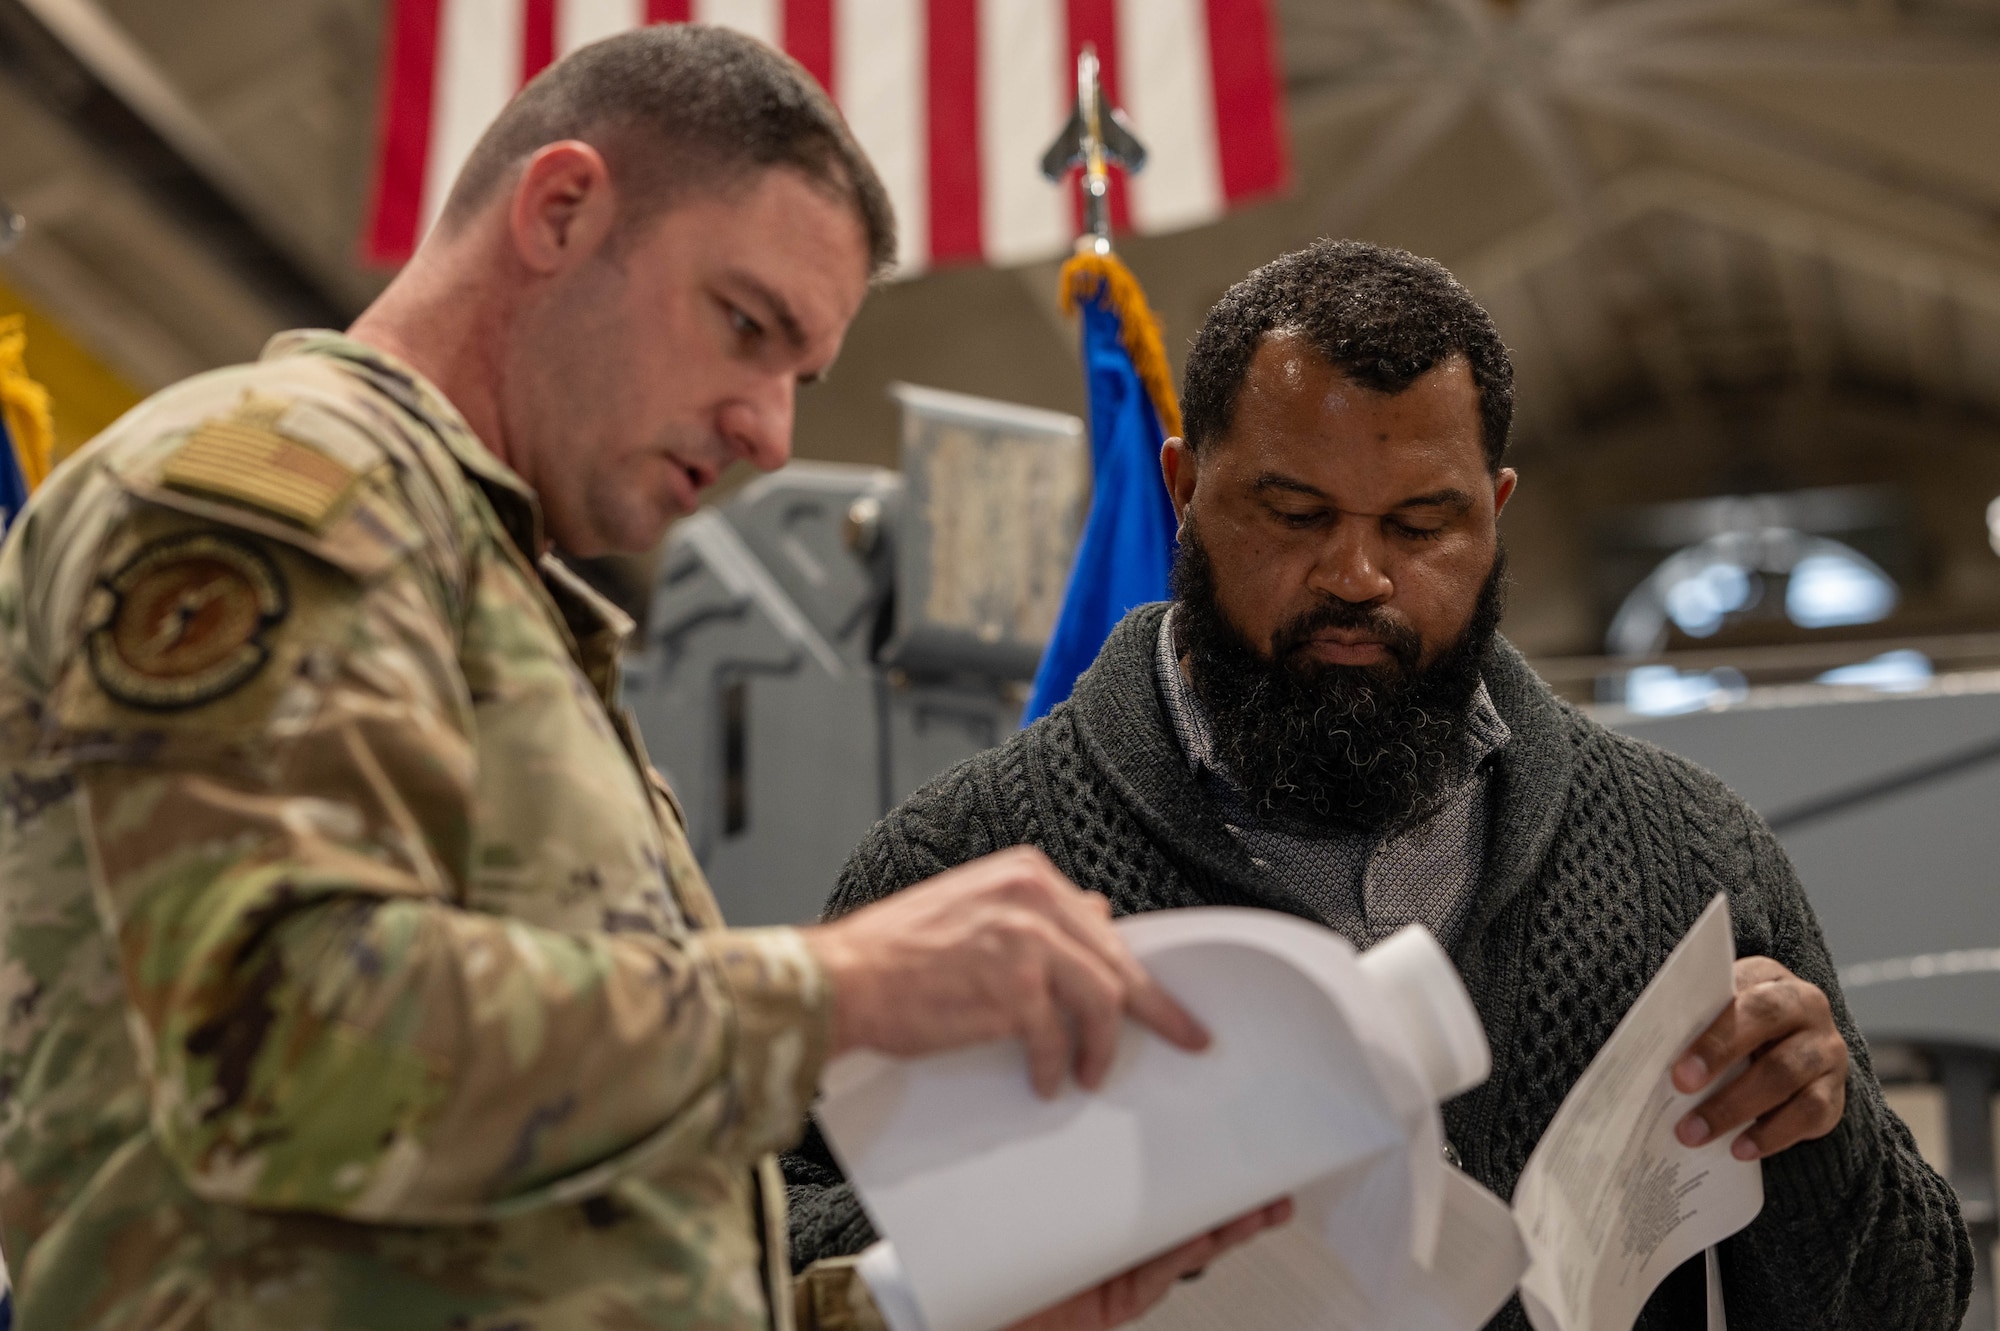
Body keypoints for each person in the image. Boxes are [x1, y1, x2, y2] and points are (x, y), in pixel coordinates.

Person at [0, 26, 1289, 1331]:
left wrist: (934, 1308)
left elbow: (564, 1242)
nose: (770, 430)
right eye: (745, 325)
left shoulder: (516, 613)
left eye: (800, 374)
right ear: (560, 210)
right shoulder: (286, 484)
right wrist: (842, 989)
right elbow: (276, 1045)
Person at [785, 239, 1973, 1329]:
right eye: (1293, 513)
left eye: (1420, 524)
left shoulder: (1683, 853)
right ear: (1185, 487)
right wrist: (1040, 1207)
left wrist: (1821, 1128)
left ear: (1494, 514)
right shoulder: (966, 862)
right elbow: (763, 1258)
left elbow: (1905, 1307)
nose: (1355, 574)